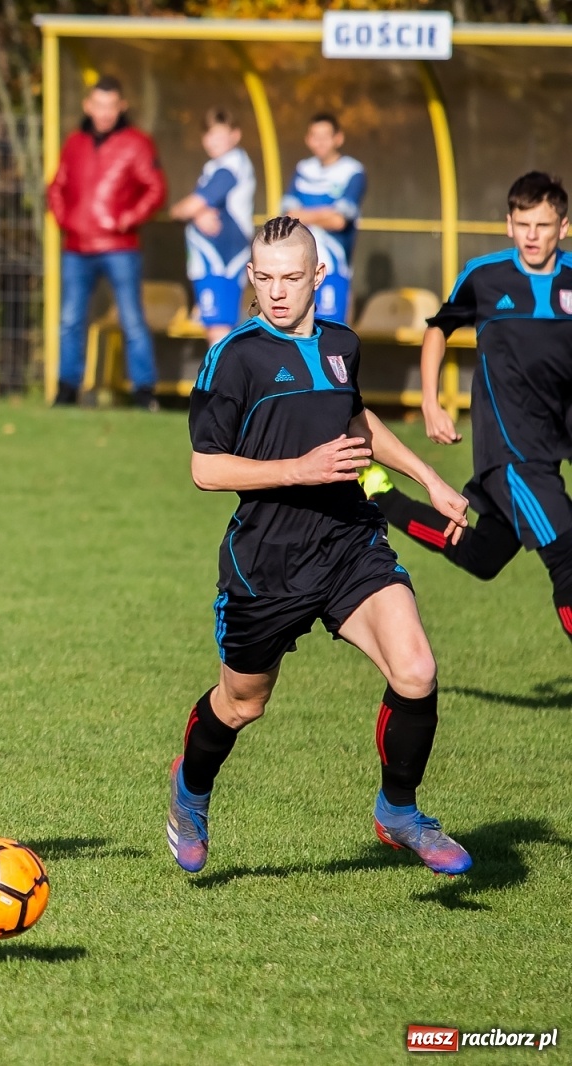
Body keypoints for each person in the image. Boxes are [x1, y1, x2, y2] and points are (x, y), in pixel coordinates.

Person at [166, 216, 474, 879]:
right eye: (265, 277)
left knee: (416, 669)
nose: (278, 292)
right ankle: (190, 790)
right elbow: (206, 468)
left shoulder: (341, 342)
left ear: (319, 275)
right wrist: (298, 469)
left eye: (292, 277)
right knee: (244, 703)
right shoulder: (235, 357)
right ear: (251, 277)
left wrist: (430, 480)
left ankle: (399, 810)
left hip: (348, 544)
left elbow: (356, 419)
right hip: (267, 565)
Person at [367, 172, 572, 648]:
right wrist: (431, 401)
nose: (532, 236)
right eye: (523, 224)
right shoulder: (485, 276)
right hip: (511, 455)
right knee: (567, 556)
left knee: (481, 556)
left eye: (543, 225)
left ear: (563, 227)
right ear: (508, 224)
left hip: (551, 447)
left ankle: (379, 498)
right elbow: (439, 329)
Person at [46, 75, 167, 410]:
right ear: (88, 105)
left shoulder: (137, 143)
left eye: (110, 106)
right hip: (76, 248)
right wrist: (64, 219)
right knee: (70, 319)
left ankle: (144, 391)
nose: (104, 113)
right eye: (98, 105)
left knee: (131, 319)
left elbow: (155, 188)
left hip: (119, 248)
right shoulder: (74, 143)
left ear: (121, 107)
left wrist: (127, 218)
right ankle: (67, 388)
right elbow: (56, 187)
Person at [169, 108, 255, 346]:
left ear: (235, 135)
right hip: (214, 260)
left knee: (219, 333)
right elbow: (196, 209)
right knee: (220, 330)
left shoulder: (230, 165)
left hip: (221, 257)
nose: (213, 141)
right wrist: (195, 215)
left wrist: (184, 211)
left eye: (220, 134)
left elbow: (191, 206)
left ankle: (224, 384)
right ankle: (227, 383)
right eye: (209, 135)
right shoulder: (215, 165)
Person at [281, 114, 366, 324]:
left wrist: (303, 215)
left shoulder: (352, 171)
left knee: (331, 335)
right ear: (308, 139)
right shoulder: (303, 169)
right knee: (299, 334)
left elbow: (339, 221)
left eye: (325, 136)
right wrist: (325, 214)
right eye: (314, 136)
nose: (319, 141)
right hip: (299, 270)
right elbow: (287, 215)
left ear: (338, 138)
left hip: (333, 268)